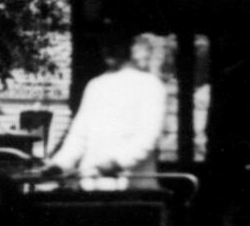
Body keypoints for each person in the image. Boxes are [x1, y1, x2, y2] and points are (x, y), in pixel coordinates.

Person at [45, 30, 173, 184]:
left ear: (129, 47)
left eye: (115, 45)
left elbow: (148, 136)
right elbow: (79, 134)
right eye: (106, 45)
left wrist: (118, 162)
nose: (109, 50)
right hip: (93, 184)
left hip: (134, 185)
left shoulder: (150, 85)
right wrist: (59, 164)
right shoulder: (95, 85)